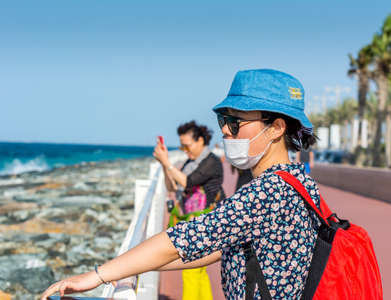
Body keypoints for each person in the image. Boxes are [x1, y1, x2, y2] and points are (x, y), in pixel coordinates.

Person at [40, 69, 320, 300]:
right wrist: (126, 269)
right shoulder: (300, 183)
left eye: (235, 122)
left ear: (276, 128)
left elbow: (182, 240)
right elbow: (212, 247)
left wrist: (96, 276)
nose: (224, 129)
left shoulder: (267, 192)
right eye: (224, 119)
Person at [154, 120, 225, 300]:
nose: (185, 150)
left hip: (204, 223)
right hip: (192, 223)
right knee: (198, 272)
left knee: (190, 271)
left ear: (200, 140)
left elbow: (188, 182)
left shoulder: (212, 162)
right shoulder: (189, 162)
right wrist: (164, 165)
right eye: (182, 146)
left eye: (187, 146)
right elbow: (172, 187)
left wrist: (168, 163)